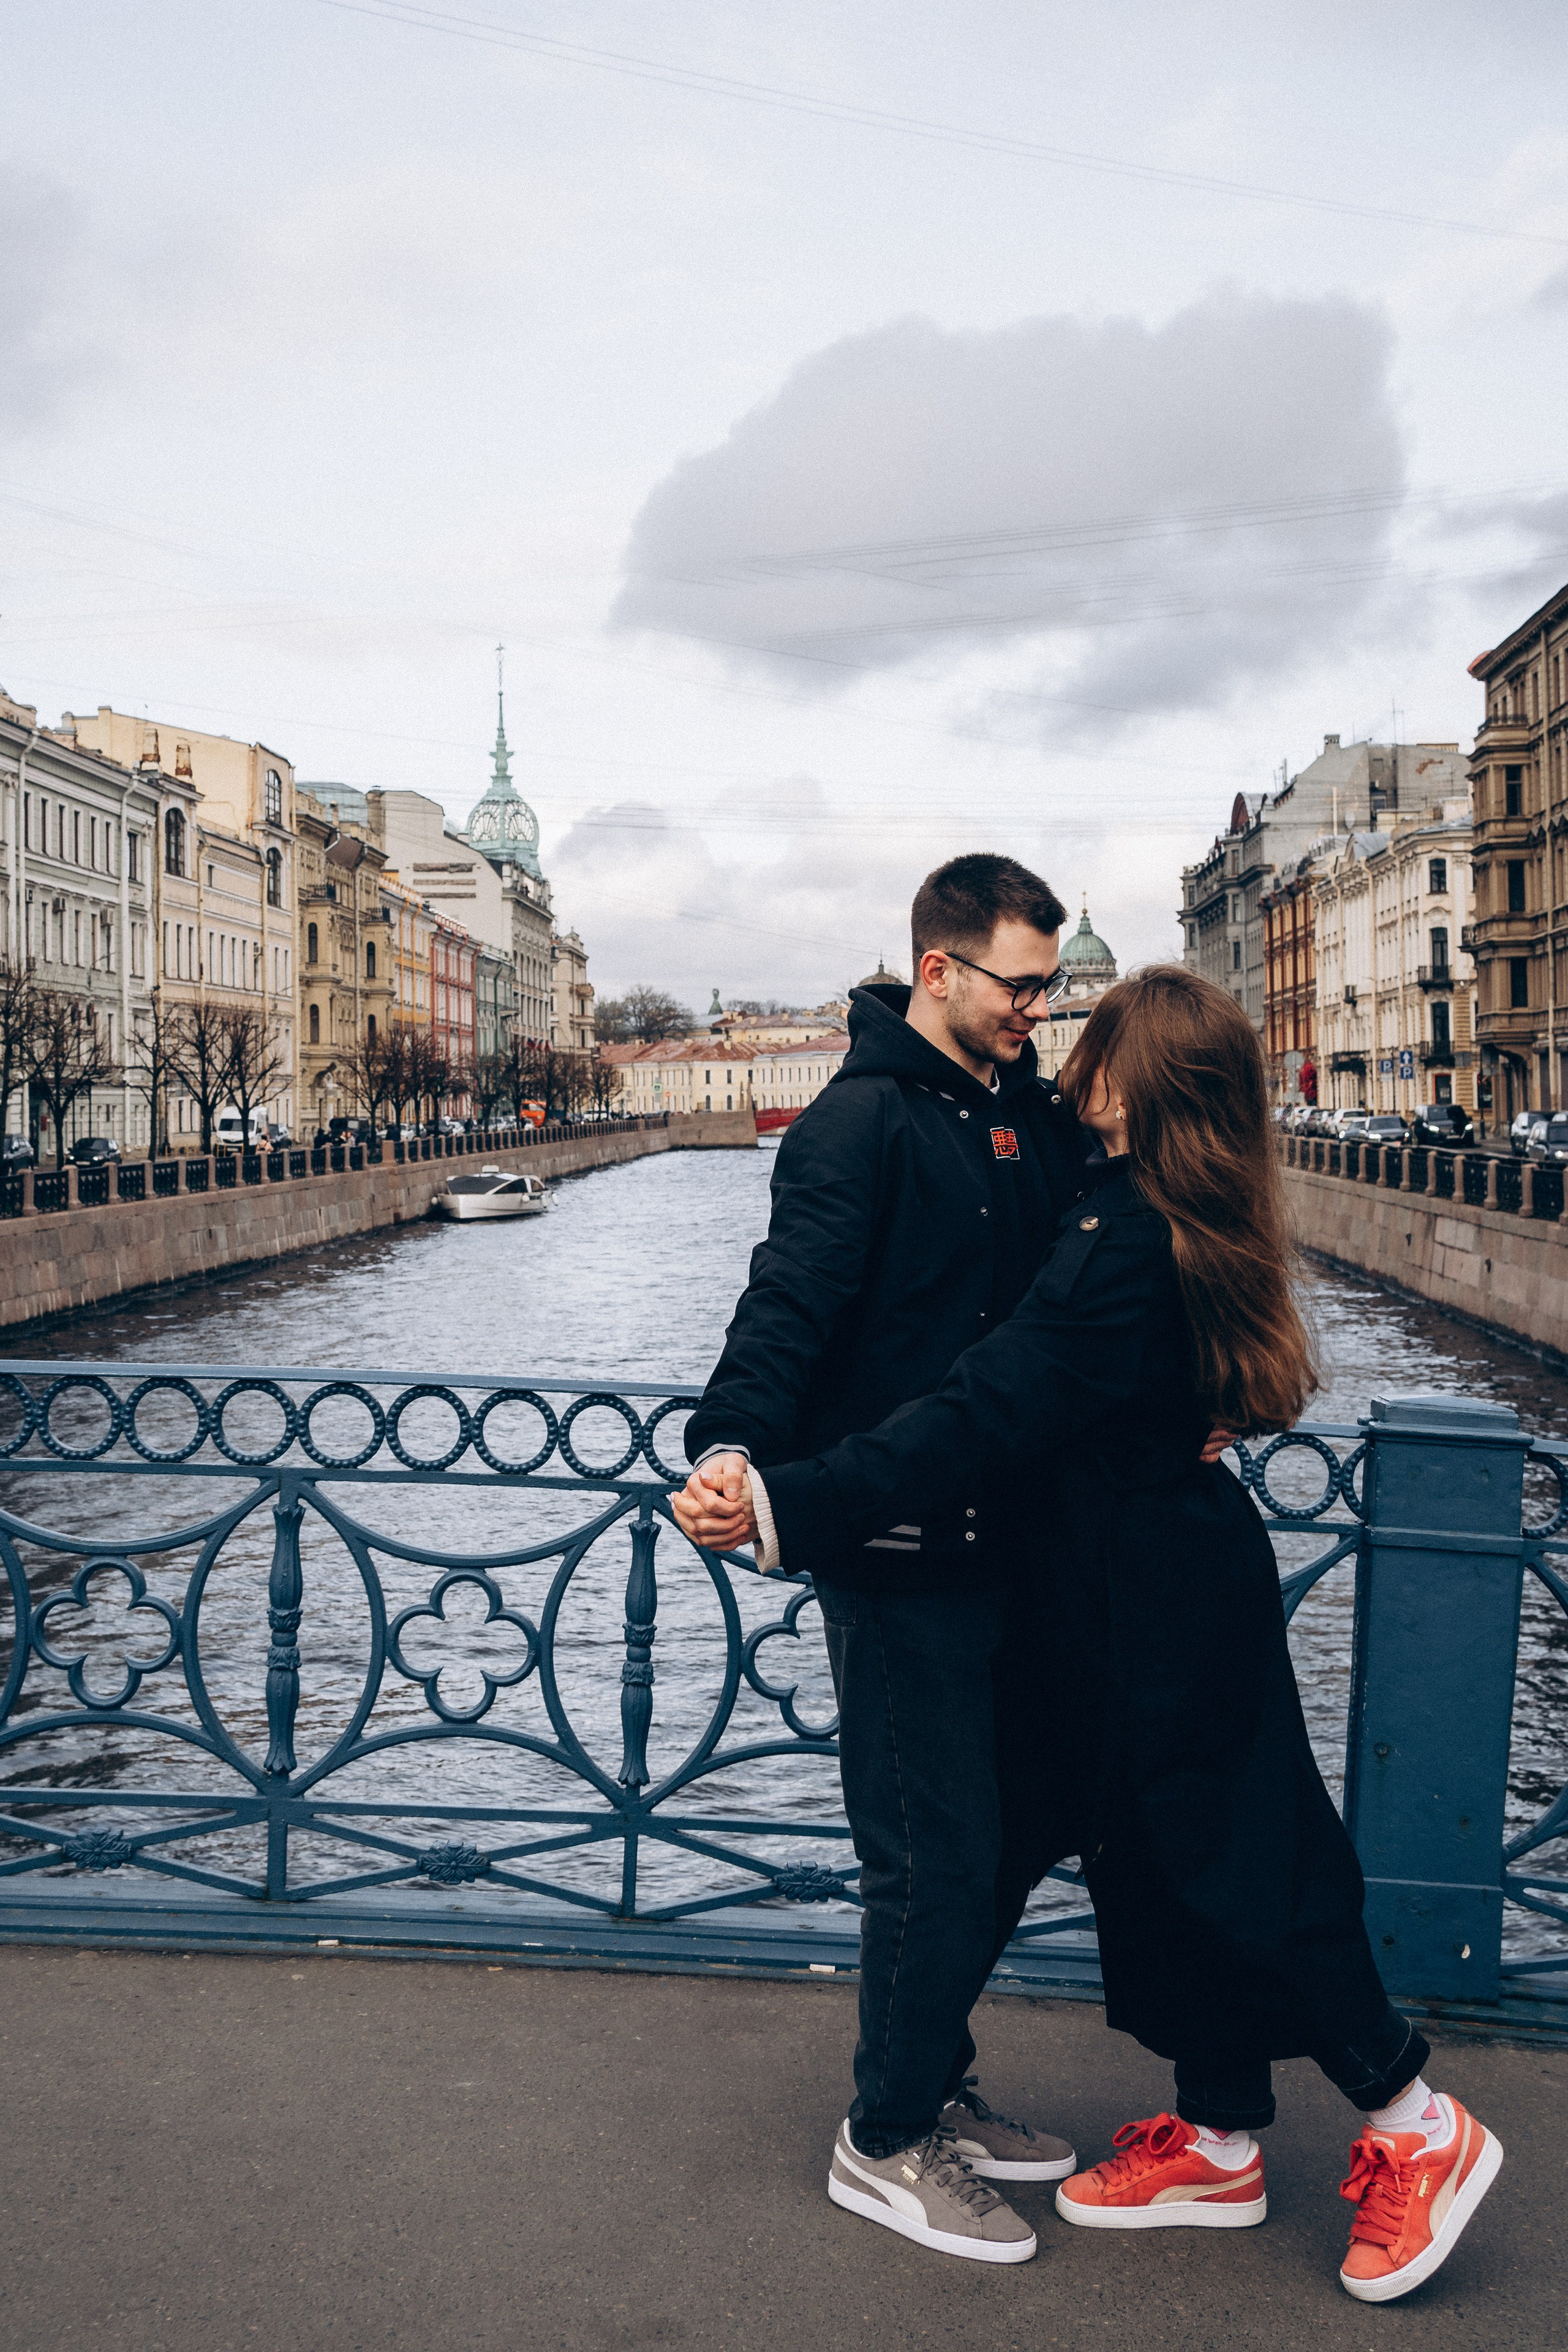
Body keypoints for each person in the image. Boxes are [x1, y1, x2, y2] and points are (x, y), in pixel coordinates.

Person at [684, 967, 1501, 2302]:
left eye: (1092, 1040)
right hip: (1124, 1585)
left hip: (1158, 1598)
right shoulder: (1158, 1200)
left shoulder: (1126, 1234)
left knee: (1243, 1859)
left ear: (1131, 1078)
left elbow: (983, 1406)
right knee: (1149, 1857)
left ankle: (1414, 2121)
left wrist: (790, 1503)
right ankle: (1217, 2132)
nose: (1066, 1059)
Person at [676, 854, 1096, 2267]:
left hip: (1014, 1539)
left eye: (1046, 988)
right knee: (927, 1854)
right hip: (897, 1546)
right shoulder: (853, 1123)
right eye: (1019, 985)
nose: (1036, 1009)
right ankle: (885, 2135)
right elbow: (787, 1305)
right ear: (937, 969)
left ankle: (933, 2078)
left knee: (1000, 1838)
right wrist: (732, 1447)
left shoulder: (1025, 1113)